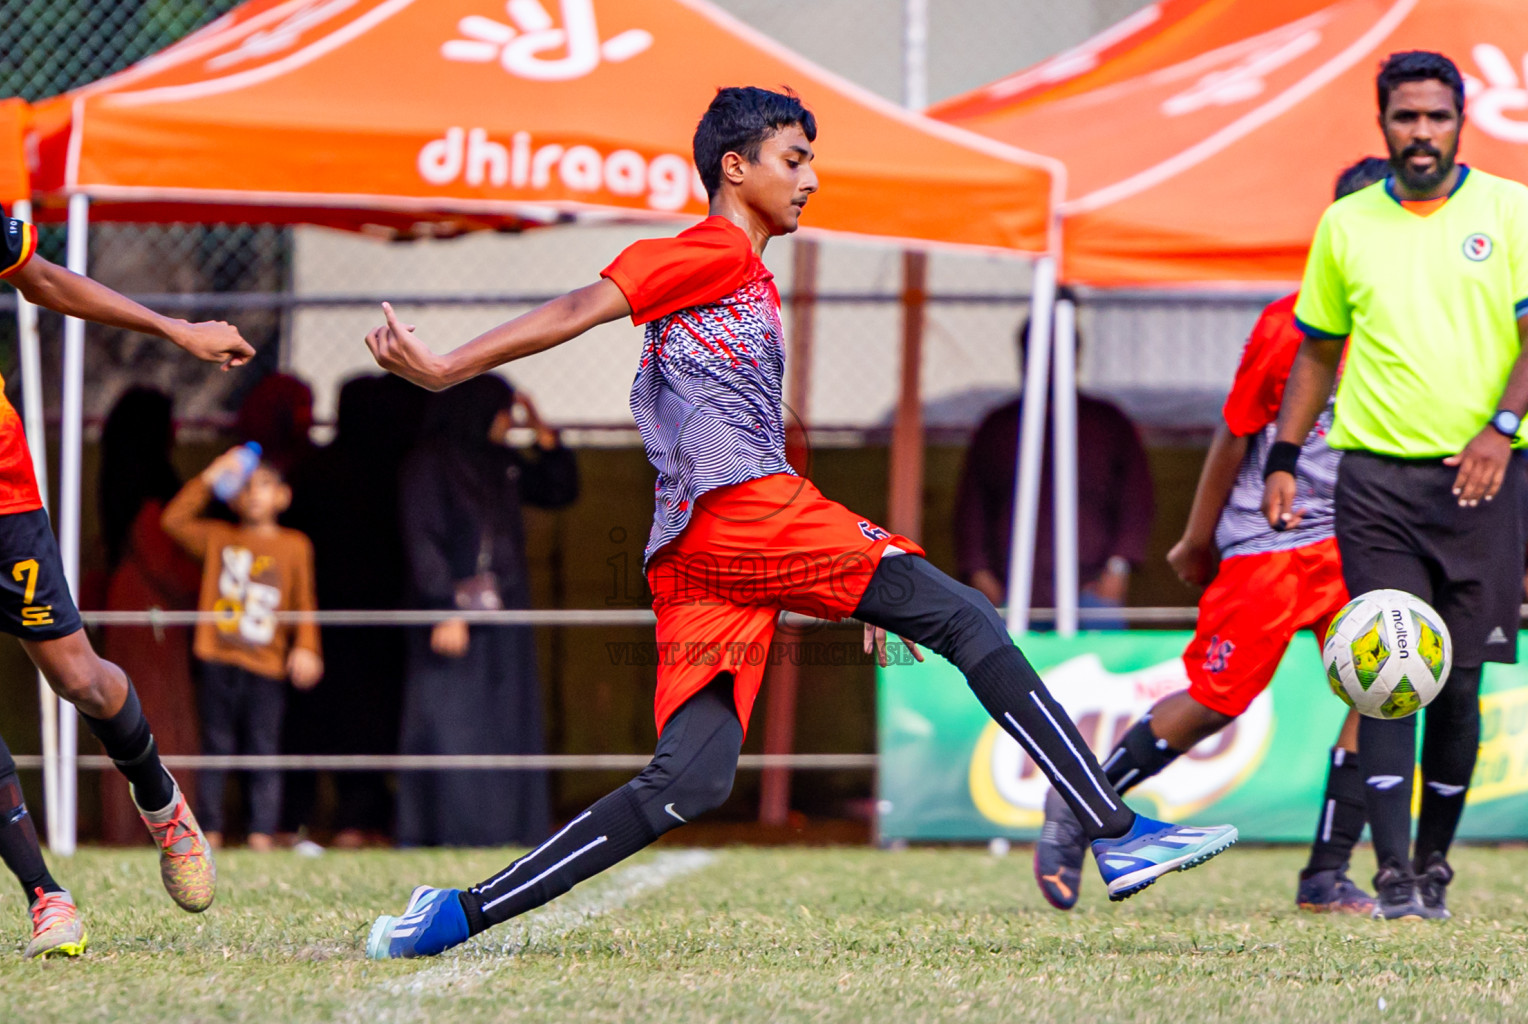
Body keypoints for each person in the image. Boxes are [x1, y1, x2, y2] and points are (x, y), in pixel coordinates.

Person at [360, 86, 1237, 960]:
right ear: (734, 169)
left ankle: (455, 914)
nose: (812, 177)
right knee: (965, 616)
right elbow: (578, 308)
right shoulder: (713, 250)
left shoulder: (741, 272)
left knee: (689, 781)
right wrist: (446, 368)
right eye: (795, 158)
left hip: (694, 549)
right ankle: (1114, 829)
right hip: (744, 515)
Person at [1033, 157, 1394, 916]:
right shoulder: (1288, 325)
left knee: (1384, 682)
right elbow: (1233, 440)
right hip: (1275, 540)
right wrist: (1197, 541)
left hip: (1360, 538)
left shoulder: (1420, 331)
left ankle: (1326, 875)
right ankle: (1081, 799)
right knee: (1218, 697)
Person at [1268, 52, 1528, 920]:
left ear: (1462, 121)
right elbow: (1315, 350)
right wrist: (1280, 457)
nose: (1422, 133)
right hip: (1374, 481)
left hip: (1483, 483)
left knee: (1458, 683)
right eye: (1406, 118)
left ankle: (1434, 868)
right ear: (1383, 122)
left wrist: (1498, 432)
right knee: (1389, 668)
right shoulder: (1346, 224)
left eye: (1437, 118)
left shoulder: (1510, 209)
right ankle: (1389, 880)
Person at [0, 198, 251, 958]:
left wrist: (175, 329)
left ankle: (160, 799)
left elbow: (40, 278)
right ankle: (48, 897)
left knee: (80, 677)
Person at [395, 374, 577, 848]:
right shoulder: (430, 464)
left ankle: (505, 831)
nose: (507, 423)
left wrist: (545, 434)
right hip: (452, 615)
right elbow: (424, 539)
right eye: (502, 413)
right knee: (451, 721)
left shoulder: (500, 462)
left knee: (506, 721)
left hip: (505, 612)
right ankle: (445, 831)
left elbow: (558, 489)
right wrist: (443, 607)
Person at [282, 373, 428, 847]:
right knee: (371, 717)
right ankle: (354, 819)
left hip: (318, 616)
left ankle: (295, 819)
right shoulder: (402, 468)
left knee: (310, 716)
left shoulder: (312, 468)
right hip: (380, 617)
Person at [161, 451, 322, 852]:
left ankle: (261, 835)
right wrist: (212, 477)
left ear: (283, 496)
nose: (253, 494)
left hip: (267, 664)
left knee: (263, 748)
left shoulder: (295, 545)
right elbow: (173, 521)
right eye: (246, 485)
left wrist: (306, 647)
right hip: (217, 657)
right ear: (233, 496)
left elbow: (305, 601)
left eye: (264, 485)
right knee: (215, 746)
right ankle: (210, 831)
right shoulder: (219, 537)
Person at [955, 311, 1153, 624]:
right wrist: (979, 571)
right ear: (1022, 359)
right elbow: (973, 507)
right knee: (1001, 672)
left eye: (1054, 354)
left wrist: (1119, 567)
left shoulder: (1109, 423)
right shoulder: (998, 426)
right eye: (1036, 354)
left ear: (1074, 358)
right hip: (1009, 593)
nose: (1046, 364)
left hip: (1092, 592)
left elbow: (1136, 502)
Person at [96, 387, 202, 846]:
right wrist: (212, 580)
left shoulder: (119, 483)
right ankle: (161, 831)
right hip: (151, 614)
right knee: (159, 718)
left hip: (130, 604)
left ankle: (130, 827)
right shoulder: (152, 497)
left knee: (128, 719)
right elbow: (167, 566)